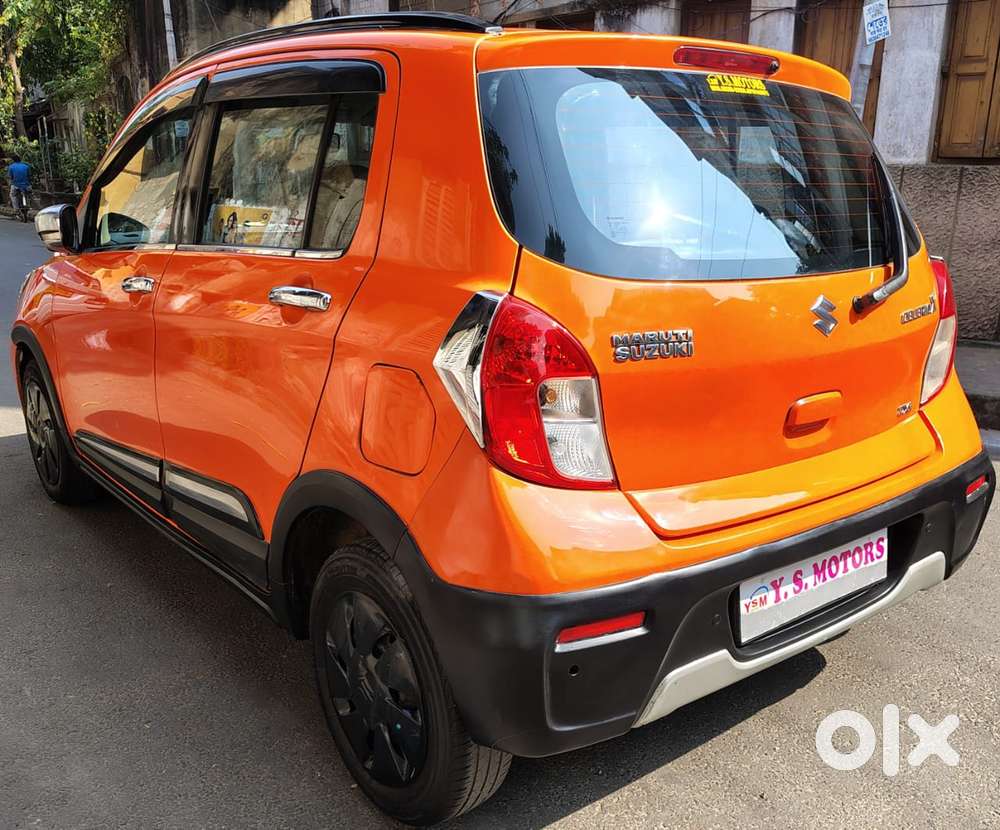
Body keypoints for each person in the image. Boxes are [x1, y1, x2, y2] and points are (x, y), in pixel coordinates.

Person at [7, 154, 31, 222]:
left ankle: (16, 210)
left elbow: (10, 177)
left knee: (12, 195)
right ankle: (29, 204)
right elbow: (29, 176)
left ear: (13, 160)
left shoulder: (11, 167)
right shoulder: (26, 166)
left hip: (16, 185)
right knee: (29, 194)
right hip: (26, 185)